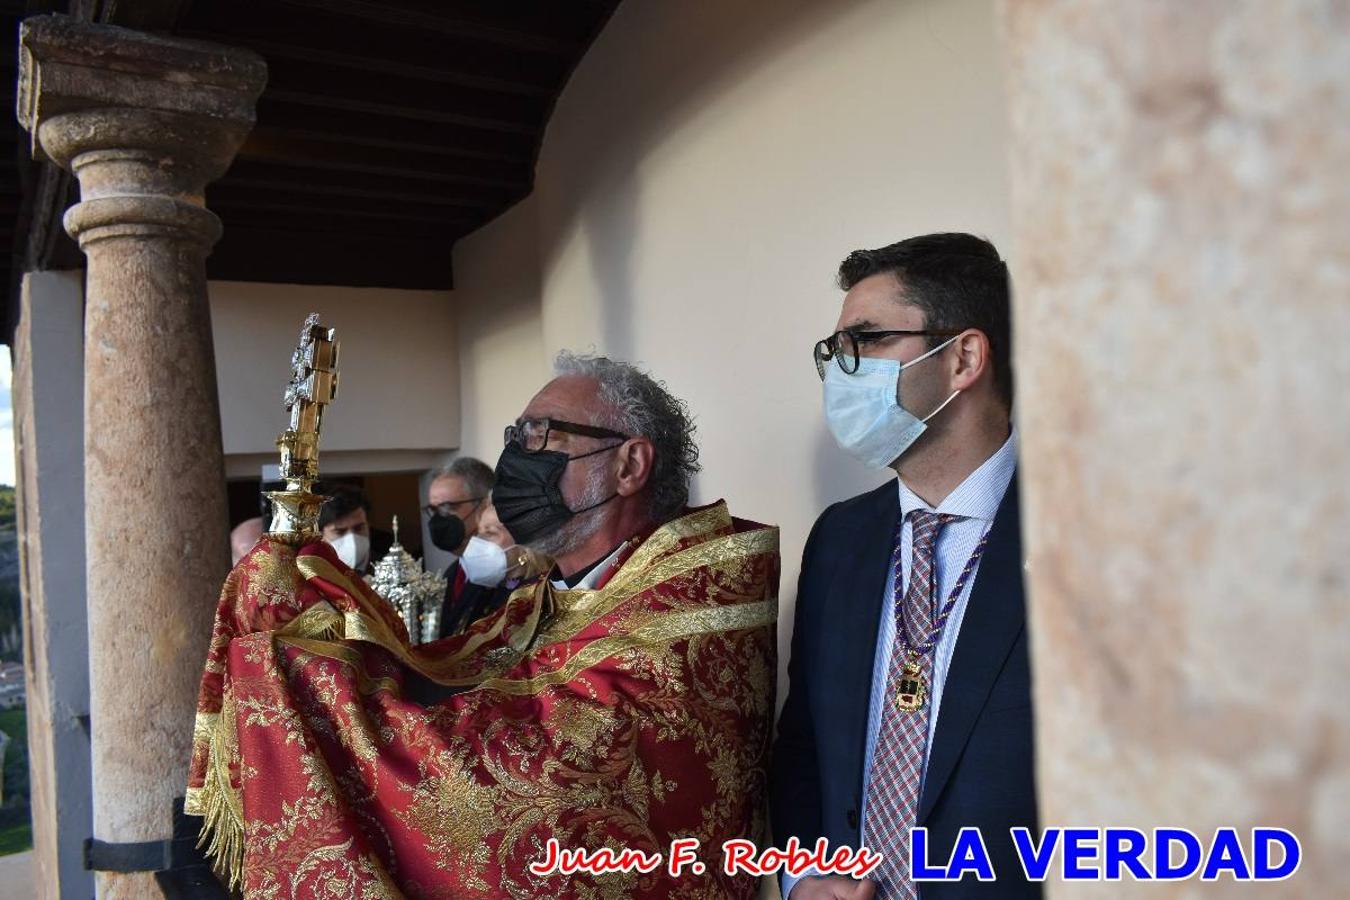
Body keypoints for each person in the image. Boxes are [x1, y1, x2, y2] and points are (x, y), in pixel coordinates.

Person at [187, 352, 779, 899]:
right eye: (513, 439)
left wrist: (312, 684)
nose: (516, 460)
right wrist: (317, 614)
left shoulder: (697, 598)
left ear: (629, 464)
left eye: (541, 436)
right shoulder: (552, 598)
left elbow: (542, 783)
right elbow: (441, 677)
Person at [771, 234, 1037, 899]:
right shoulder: (839, 539)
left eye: (867, 340)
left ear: (963, 359)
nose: (840, 370)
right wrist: (803, 876)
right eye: (834, 352)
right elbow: (803, 742)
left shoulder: (1080, 539)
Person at [423, 458, 495, 636]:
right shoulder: (451, 574)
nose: (440, 519)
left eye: (448, 507)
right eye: (435, 510)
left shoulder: (508, 572)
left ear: (485, 505)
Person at [317, 483, 374, 574]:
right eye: (340, 531)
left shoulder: (391, 567)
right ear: (320, 534)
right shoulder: (313, 574)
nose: (352, 539)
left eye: (359, 528)